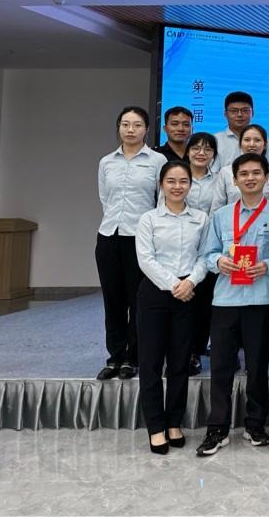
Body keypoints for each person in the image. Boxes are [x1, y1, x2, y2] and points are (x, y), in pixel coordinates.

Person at [196, 153, 269, 456]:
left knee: (257, 366)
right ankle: (217, 428)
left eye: (256, 173)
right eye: (243, 174)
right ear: (234, 180)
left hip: (261, 299)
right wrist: (219, 261)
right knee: (221, 366)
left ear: (267, 177)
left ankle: (255, 424)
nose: (250, 178)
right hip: (225, 300)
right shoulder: (221, 216)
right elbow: (207, 254)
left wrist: (268, 266)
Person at [135, 160, 208, 454]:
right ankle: (155, 427)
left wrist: (190, 282)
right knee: (151, 363)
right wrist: (174, 284)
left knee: (180, 362)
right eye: (171, 181)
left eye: (183, 181)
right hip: (155, 294)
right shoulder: (148, 219)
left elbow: (204, 256)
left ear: (190, 185)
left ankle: (174, 422)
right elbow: (145, 259)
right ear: (161, 185)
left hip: (188, 295)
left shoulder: (201, 218)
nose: (177, 187)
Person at [95, 106, 167, 381]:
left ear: (147, 129)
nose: (130, 129)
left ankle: (132, 357)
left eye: (137, 125)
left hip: (140, 238)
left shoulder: (157, 160)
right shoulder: (106, 162)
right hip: (108, 235)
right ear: (118, 127)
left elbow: (160, 201)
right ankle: (115, 356)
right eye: (125, 124)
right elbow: (105, 198)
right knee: (112, 300)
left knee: (138, 300)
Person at [182, 131, 221, 376]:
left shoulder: (219, 179)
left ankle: (195, 351)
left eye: (208, 149)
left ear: (214, 154)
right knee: (182, 303)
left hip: (208, 246)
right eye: (196, 147)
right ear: (188, 151)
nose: (201, 153)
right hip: (179, 246)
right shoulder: (176, 175)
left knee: (204, 304)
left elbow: (218, 213)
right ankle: (179, 351)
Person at [212, 124, 269, 211]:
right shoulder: (226, 172)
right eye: (247, 140)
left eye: (257, 140)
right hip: (230, 219)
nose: (252, 144)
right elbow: (217, 208)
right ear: (240, 144)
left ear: (265, 145)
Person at [214, 91, 254, 167]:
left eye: (245, 110)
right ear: (225, 114)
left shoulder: (263, 141)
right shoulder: (215, 141)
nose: (239, 115)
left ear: (252, 113)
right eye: (233, 111)